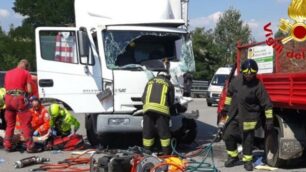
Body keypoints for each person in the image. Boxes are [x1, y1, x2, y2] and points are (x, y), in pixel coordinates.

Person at [220, 59, 273, 171]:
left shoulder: (258, 85)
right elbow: (229, 95)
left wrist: (269, 119)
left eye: (252, 74)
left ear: (255, 73)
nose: (249, 76)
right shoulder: (235, 81)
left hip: (249, 117)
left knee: (247, 140)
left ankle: (247, 161)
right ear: (242, 72)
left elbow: (267, 103)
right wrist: (225, 108)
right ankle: (233, 157)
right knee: (228, 134)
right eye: (246, 74)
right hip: (234, 115)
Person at [3, 59, 41, 152]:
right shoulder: (26, 73)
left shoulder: (8, 73)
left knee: (10, 124)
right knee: (25, 123)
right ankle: (30, 146)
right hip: (19, 99)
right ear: (27, 67)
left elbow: (6, 87)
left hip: (8, 99)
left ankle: (7, 145)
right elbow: (29, 90)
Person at [142, 71, 175, 155]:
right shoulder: (169, 83)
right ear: (167, 76)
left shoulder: (150, 81)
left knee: (147, 133)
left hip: (148, 109)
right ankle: (166, 154)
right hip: (162, 110)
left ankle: (147, 153)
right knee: (164, 134)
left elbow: (143, 98)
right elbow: (171, 101)